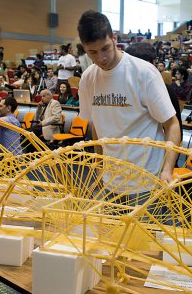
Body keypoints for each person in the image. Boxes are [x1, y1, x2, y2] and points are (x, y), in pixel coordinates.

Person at [77, 10, 181, 187]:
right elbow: (96, 126)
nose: (101, 58)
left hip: (148, 180)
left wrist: (167, 169)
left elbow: (172, 124)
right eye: (92, 52)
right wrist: (99, 167)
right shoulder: (88, 78)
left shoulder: (144, 73)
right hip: (111, 180)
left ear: (114, 38)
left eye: (105, 48)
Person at [126, 42, 182, 138]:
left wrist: (170, 152)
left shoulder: (166, 90)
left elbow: (175, 128)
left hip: (155, 147)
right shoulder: (123, 87)